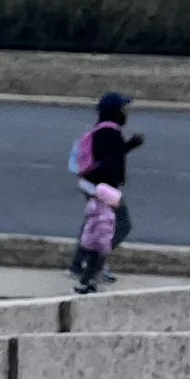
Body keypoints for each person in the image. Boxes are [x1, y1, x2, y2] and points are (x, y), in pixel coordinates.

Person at [69, 92, 143, 281]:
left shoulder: (103, 129)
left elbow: (110, 154)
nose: (125, 112)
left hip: (91, 185)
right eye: (122, 108)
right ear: (114, 111)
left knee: (93, 225)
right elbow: (108, 161)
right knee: (121, 225)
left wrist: (129, 146)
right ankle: (94, 263)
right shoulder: (108, 132)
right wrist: (109, 193)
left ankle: (79, 263)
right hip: (101, 188)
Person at [71, 179, 122, 294]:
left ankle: (88, 282)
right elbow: (102, 233)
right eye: (116, 201)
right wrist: (105, 247)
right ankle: (84, 284)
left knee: (92, 265)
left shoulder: (97, 209)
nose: (118, 203)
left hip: (89, 242)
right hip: (97, 245)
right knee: (93, 266)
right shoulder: (106, 215)